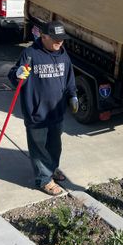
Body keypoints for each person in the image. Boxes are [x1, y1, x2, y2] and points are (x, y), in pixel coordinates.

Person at [8, 20, 78, 196]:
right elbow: (14, 75)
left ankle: (52, 168)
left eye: (62, 39)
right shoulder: (31, 54)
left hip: (56, 111)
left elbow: (69, 77)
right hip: (37, 113)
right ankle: (44, 180)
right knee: (39, 148)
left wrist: (73, 95)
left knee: (54, 145)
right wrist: (17, 75)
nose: (59, 42)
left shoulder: (63, 54)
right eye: (55, 38)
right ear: (44, 36)